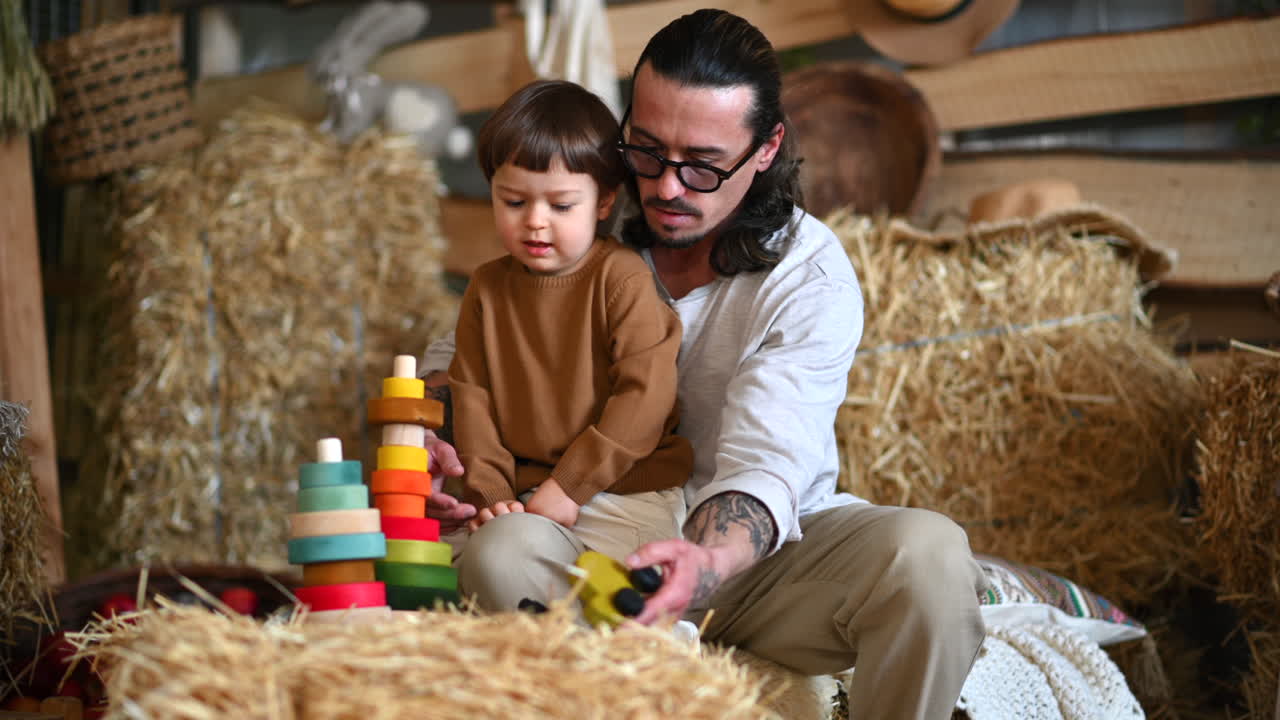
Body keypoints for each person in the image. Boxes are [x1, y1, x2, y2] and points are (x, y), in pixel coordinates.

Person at [421, 10, 986, 720]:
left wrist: (705, 563)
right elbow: (463, 362)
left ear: (766, 147)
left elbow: (767, 460)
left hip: (757, 571)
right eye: (647, 151)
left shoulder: (808, 274)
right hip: (590, 547)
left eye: (702, 165)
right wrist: (431, 446)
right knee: (499, 554)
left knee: (929, 555)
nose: (666, 187)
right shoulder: (580, 210)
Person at [443, 78, 694, 582]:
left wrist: (572, 485)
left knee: (620, 599)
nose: (535, 222)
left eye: (560, 206)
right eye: (513, 202)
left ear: (604, 202)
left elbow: (644, 398)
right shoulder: (487, 289)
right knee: (465, 576)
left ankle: (661, 647)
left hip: (624, 492)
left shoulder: (619, 278)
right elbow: (473, 399)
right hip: (524, 498)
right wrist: (491, 495)